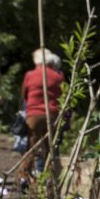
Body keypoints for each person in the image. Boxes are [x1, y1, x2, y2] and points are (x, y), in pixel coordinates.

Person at [21, 47, 65, 180]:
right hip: (51, 114)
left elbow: (25, 94)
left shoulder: (30, 75)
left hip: (33, 114)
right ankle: (49, 177)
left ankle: (24, 176)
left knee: (31, 147)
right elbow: (61, 96)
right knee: (49, 148)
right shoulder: (57, 77)